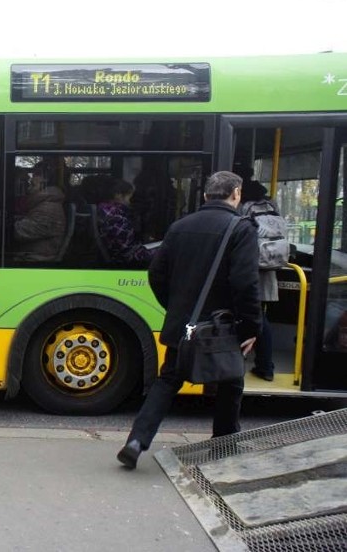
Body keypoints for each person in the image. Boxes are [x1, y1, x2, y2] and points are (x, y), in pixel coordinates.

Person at [117, 171, 261, 469]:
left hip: (184, 325)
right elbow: (245, 283)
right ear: (236, 193)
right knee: (230, 382)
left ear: (206, 195)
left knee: (168, 380)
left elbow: (156, 274)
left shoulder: (179, 227)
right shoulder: (241, 229)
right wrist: (250, 326)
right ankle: (222, 448)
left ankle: (136, 441)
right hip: (222, 327)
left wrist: (177, 308)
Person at [239, 179, 286, 381]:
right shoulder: (271, 206)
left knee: (257, 319)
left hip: (251, 271)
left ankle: (265, 366)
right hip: (269, 272)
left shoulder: (245, 208)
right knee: (260, 316)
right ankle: (263, 364)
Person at [13, 164, 66, 263]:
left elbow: (20, 232)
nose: (28, 189)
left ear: (44, 183)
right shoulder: (44, 204)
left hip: (35, 260)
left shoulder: (49, 209)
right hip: (31, 254)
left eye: (32, 185)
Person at [96, 178, 155, 268]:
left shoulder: (104, 211)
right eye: (129, 197)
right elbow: (128, 253)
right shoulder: (115, 217)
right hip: (125, 263)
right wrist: (158, 252)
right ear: (118, 195)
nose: (130, 202)